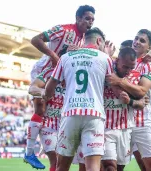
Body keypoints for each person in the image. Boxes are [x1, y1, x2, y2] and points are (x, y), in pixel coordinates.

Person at [24, 5, 96, 169]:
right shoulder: (63, 30)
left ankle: (38, 149)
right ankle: (29, 151)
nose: (90, 22)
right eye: (87, 18)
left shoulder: (84, 40)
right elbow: (36, 39)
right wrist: (55, 57)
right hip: (46, 69)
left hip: (61, 74)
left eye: (92, 20)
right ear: (78, 18)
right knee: (40, 106)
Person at [43, 27, 113, 171]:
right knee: (92, 166)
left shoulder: (65, 57)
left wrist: (47, 96)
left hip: (70, 114)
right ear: (99, 41)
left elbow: (50, 87)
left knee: (62, 165)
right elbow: (113, 84)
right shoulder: (105, 58)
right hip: (94, 115)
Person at [106, 29, 151, 171]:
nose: (137, 42)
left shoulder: (149, 65)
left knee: (150, 166)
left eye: (142, 40)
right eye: (136, 38)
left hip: (142, 122)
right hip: (121, 122)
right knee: (115, 166)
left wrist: (119, 81)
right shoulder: (121, 61)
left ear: (149, 48)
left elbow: (142, 91)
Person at [25, 67, 65, 171]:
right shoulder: (49, 71)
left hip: (62, 122)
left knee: (59, 162)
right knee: (55, 158)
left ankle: (29, 153)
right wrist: (43, 92)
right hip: (47, 123)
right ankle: (29, 152)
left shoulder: (72, 75)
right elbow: (32, 88)